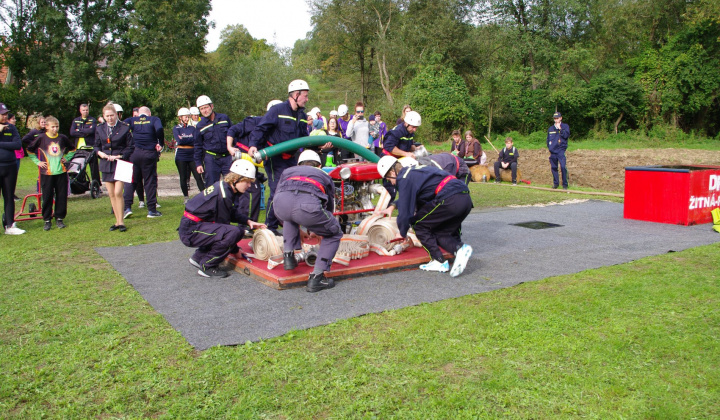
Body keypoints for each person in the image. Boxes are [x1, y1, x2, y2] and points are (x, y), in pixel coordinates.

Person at [377, 155, 473, 277]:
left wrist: (402, 232)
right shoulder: (415, 171)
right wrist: (394, 205)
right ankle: (459, 249)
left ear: (392, 171)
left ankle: (441, 260)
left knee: (419, 225)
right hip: (464, 197)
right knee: (438, 231)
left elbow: (406, 211)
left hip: (449, 198)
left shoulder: (403, 177)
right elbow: (416, 199)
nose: (390, 182)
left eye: (388, 178)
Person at [179, 159, 266, 278]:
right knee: (235, 232)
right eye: (247, 182)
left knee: (229, 231)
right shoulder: (224, 195)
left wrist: (248, 221)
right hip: (191, 230)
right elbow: (224, 226)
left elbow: (231, 212)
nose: (249, 186)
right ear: (236, 179)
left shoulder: (225, 188)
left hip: (191, 226)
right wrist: (235, 250)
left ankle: (198, 257)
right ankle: (207, 266)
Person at [247, 79, 310, 236]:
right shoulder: (277, 110)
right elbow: (261, 129)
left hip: (291, 158)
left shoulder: (302, 115)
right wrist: (253, 145)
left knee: (294, 190)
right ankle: (269, 228)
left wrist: (321, 147)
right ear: (296, 95)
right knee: (277, 191)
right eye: (305, 96)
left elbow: (305, 138)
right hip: (275, 157)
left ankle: (289, 225)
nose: (307, 99)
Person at [273, 150, 341, 292]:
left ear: (299, 163)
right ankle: (317, 277)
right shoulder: (323, 175)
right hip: (308, 207)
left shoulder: (287, 171)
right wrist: (320, 229)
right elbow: (329, 207)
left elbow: (280, 194)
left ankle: (289, 257)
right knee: (334, 233)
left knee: (288, 217)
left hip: (280, 204)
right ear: (319, 165)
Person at [26, 116, 76, 231]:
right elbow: (29, 150)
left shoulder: (62, 138)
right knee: (47, 196)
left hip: (61, 172)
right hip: (46, 173)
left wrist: (66, 158)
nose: (55, 129)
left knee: (61, 196)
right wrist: (38, 162)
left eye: (57, 126)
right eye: (52, 127)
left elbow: (73, 149)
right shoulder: (41, 138)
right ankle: (47, 219)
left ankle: (59, 218)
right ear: (47, 127)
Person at [95, 104, 133, 232]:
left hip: (121, 162)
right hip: (106, 163)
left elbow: (130, 147)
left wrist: (119, 156)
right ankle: (117, 222)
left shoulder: (124, 127)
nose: (110, 118)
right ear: (103, 116)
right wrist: (100, 153)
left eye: (112, 115)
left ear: (116, 115)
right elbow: (96, 146)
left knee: (118, 192)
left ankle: (121, 221)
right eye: (107, 116)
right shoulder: (100, 128)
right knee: (111, 194)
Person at [376, 110, 422, 217]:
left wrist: (414, 148)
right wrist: (406, 154)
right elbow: (389, 146)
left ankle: (407, 213)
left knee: (405, 188)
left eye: (416, 127)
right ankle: (382, 215)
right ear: (406, 123)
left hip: (399, 163)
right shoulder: (397, 132)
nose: (414, 129)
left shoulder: (409, 132)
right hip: (389, 164)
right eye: (413, 127)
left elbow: (406, 144)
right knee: (390, 192)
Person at [123, 106, 164, 218]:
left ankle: (126, 208)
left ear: (139, 114)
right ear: (149, 113)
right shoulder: (154, 119)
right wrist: (160, 143)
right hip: (149, 153)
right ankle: (151, 209)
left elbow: (120, 127)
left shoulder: (132, 120)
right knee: (149, 181)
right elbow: (159, 129)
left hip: (134, 153)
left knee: (130, 180)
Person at [193, 95, 233, 187]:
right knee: (211, 187)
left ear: (212, 106)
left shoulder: (224, 118)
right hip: (211, 159)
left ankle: (233, 202)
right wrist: (198, 163)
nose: (204, 110)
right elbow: (198, 146)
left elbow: (233, 134)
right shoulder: (200, 126)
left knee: (233, 184)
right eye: (201, 109)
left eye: (206, 107)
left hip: (228, 158)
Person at [0, 103, 25, 235]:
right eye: (2, 114)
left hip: (10, 166)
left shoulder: (11, 128)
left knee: (9, 196)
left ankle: (10, 226)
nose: (5, 116)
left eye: (5, 114)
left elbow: (17, 144)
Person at [173, 107, 204, 204]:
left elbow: (195, 140)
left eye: (188, 117)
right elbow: (179, 140)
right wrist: (188, 140)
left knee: (198, 176)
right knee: (183, 177)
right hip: (181, 155)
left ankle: (204, 195)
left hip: (192, 154)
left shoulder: (192, 128)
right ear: (180, 117)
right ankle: (186, 197)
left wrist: (185, 139)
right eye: (185, 117)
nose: (186, 119)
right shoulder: (176, 128)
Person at [69, 104, 100, 188]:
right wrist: (85, 132)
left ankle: (96, 185)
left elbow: (92, 130)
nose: (85, 112)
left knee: (94, 168)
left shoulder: (92, 120)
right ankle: (81, 185)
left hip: (90, 147)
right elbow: (72, 132)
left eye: (86, 110)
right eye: (83, 110)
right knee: (80, 167)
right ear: (80, 110)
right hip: (79, 148)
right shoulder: (76, 121)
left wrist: (79, 131)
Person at [547, 111, 570, 189]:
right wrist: (550, 148)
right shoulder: (551, 128)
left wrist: (560, 129)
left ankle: (565, 184)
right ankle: (556, 184)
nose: (556, 120)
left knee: (563, 167)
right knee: (554, 168)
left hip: (560, 150)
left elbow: (566, 135)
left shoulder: (565, 126)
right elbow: (548, 140)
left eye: (557, 118)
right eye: (554, 118)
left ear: (560, 118)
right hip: (553, 151)